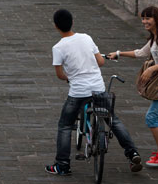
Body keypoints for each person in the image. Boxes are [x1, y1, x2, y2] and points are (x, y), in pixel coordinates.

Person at [45, 9, 142, 176]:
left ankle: (62, 165)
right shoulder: (86, 37)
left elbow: (60, 75)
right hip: (98, 89)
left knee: (65, 126)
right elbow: (101, 61)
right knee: (113, 120)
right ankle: (132, 153)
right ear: (72, 23)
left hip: (78, 93)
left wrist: (70, 77)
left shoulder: (58, 47)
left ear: (56, 26)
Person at [109, 6, 158, 167]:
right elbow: (140, 53)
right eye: (142, 18)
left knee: (152, 117)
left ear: (156, 19)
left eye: (147, 18)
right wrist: (119, 53)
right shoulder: (155, 37)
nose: (144, 22)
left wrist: (151, 69)